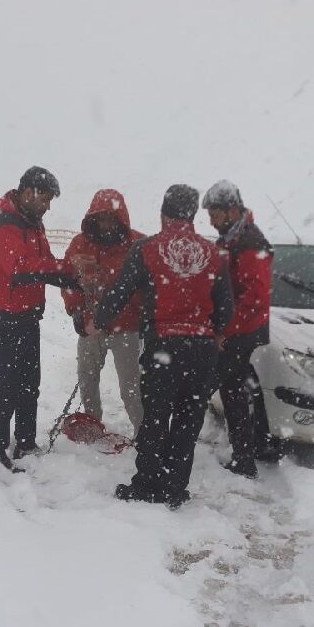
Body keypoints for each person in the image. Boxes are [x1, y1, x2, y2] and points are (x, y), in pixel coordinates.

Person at [93, 184, 234, 509]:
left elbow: (120, 292)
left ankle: (147, 485)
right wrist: (211, 332)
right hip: (200, 351)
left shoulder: (146, 249)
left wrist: (99, 319)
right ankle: (174, 487)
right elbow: (225, 309)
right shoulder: (213, 255)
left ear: (163, 214)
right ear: (192, 214)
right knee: (188, 420)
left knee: (156, 417)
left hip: (163, 347)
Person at [0, 166, 78, 470]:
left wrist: (75, 277)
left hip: (26, 318)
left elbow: (45, 263)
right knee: (7, 384)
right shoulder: (4, 224)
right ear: (27, 193)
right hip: (3, 318)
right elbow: (22, 268)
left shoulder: (33, 224)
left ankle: (25, 442)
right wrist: (68, 271)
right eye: (45, 199)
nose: (48, 206)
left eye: (50, 200)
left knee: (28, 384)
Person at [203, 180, 276, 479]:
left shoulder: (248, 243)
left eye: (215, 214)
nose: (211, 220)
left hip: (241, 334)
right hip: (240, 332)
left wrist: (225, 332)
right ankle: (250, 452)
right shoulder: (233, 238)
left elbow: (254, 299)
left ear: (232, 210)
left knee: (211, 389)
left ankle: (246, 458)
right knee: (236, 393)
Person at [62, 189, 145, 435]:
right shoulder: (80, 243)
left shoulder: (138, 244)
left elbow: (148, 288)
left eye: (111, 218)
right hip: (90, 326)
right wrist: (76, 310)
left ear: (121, 218)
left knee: (131, 386)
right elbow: (69, 280)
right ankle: (91, 424)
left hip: (126, 327)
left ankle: (144, 432)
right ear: (93, 218)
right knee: (87, 379)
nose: (106, 224)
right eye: (101, 218)